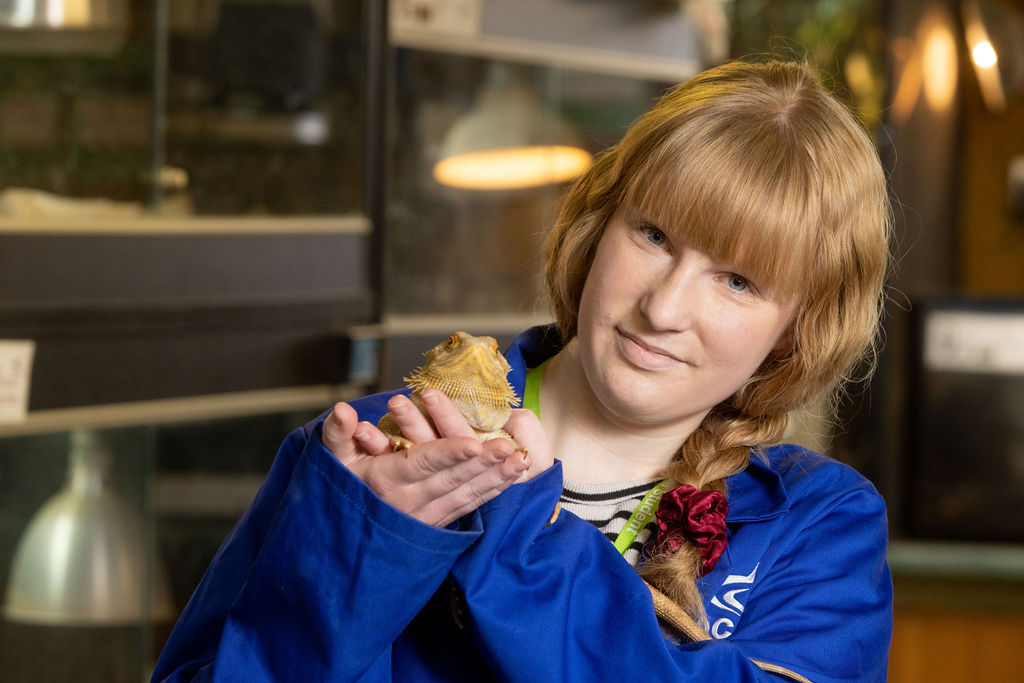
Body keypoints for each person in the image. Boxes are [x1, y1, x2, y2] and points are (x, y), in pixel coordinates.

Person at [151, 59, 893, 682]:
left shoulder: (821, 526)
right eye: (655, 234)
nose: (664, 307)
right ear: (600, 222)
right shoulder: (366, 453)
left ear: (799, 327)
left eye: (738, 280)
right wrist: (362, 548)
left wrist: (521, 537)